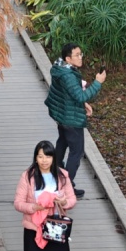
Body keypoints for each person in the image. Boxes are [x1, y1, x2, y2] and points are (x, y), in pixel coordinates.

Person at [14, 140, 78, 251]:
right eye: (40, 156)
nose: (44, 160)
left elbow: (72, 200)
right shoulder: (27, 176)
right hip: (34, 227)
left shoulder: (62, 175)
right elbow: (18, 202)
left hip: (56, 227)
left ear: (53, 158)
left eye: (47, 156)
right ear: (35, 157)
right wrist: (34, 207)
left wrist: (63, 202)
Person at [44, 40, 105, 198]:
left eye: (81, 54)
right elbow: (80, 95)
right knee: (76, 153)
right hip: (70, 119)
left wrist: (83, 104)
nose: (80, 57)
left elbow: (69, 94)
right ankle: (66, 187)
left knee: (62, 143)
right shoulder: (68, 75)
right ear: (68, 59)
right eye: (77, 55)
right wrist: (97, 83)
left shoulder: (60, 68)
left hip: (62, 115)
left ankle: (56, 177)